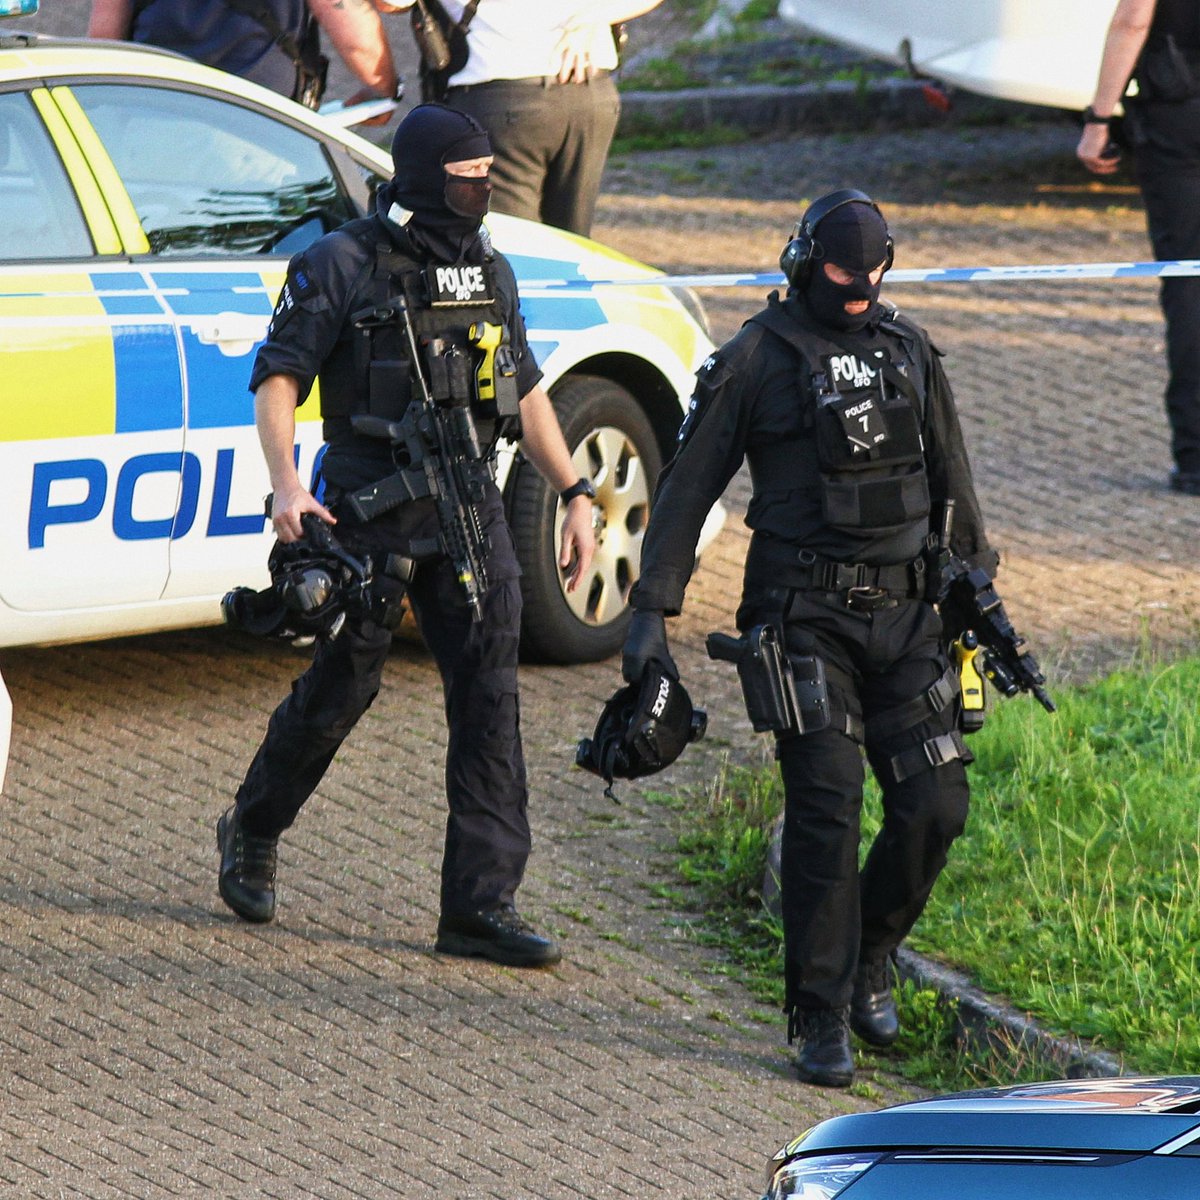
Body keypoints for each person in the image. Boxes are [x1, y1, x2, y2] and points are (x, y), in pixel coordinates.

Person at [621, 191, 999, 1087]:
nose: (860, 290)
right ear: (801, 262)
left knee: (936, 805)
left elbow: (953, 474)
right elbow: (687, 488)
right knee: (828, 809)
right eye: (841, 274)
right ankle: (820, 1012)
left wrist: (977, 595)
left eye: (874, 274)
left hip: (909, 620)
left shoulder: (907, 347)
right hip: (802, 619)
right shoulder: (755, 358)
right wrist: (649, 612)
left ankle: (873, 954)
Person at [216, 102, 596, 968]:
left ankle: (479, 906)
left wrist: (574, 489)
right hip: (371, 515)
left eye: (489, 175)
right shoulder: (341, 263)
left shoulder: (491, 269)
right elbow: (278, 381)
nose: (484, 190)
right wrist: (285, 489)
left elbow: (526, 390)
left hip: (471, 513)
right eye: (468, 178)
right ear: (427, 178)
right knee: (342, 688)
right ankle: (253, 825)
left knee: (489, 698)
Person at [1078, 0, 1200, 495]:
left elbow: (1133, 20)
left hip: (1178, 116)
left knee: (1189, 284)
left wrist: (1097, 120)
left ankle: (1195, 458)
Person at [408, 0, 663, 237]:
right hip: (589, 93)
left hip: (499, 100)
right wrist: (591, 18)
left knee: (512, 245)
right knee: (574, 244)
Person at [87, 0, 401, 112]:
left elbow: (104, 36)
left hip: (153, 106)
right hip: (256, 121)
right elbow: (352, 32)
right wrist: (384, 90)